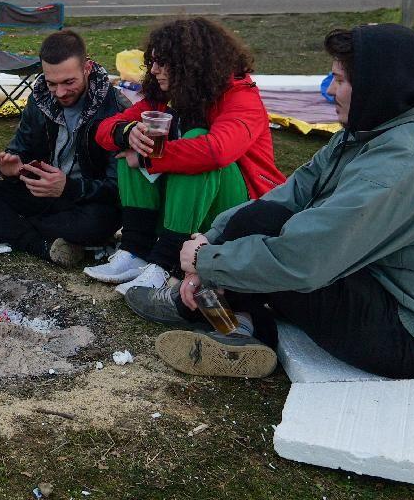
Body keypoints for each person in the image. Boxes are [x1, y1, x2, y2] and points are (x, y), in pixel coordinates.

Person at [139, 25, 414, 380]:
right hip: (377, 279)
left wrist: (207, 262)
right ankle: (239, 326)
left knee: (277, 254)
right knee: (261, 218)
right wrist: (211, 241)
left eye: (339, 81)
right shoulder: (376, 130)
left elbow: (304, 260)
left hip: (410, 334)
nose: (331, 93)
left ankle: (217, 316)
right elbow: (290, 194)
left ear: (377, 86)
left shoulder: (403, 165)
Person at [86, 17, 285, 303]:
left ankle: (166, 264)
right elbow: (103, 129)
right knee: (135, 143)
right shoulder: (170, 94)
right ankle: (136, 251)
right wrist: (126, 132)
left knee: (193, 144)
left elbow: (218, 151)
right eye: (152, 61)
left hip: (245, 209)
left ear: (189, 65)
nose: (153, 70)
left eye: (161, 62)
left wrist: (146, 160)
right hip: (189, 205)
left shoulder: (241, 98)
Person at [0, 30, 127, 265]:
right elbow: (20, 148)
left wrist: (68, 188)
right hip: (39, 195)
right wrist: (10, 170)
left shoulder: (116, 108)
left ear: (87, 68)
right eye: (52, 83)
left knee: (99, 223)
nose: (60, 92)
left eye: (68, 82)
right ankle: (38, 243)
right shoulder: (40, 98)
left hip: (84, 201)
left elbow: (118, 187)